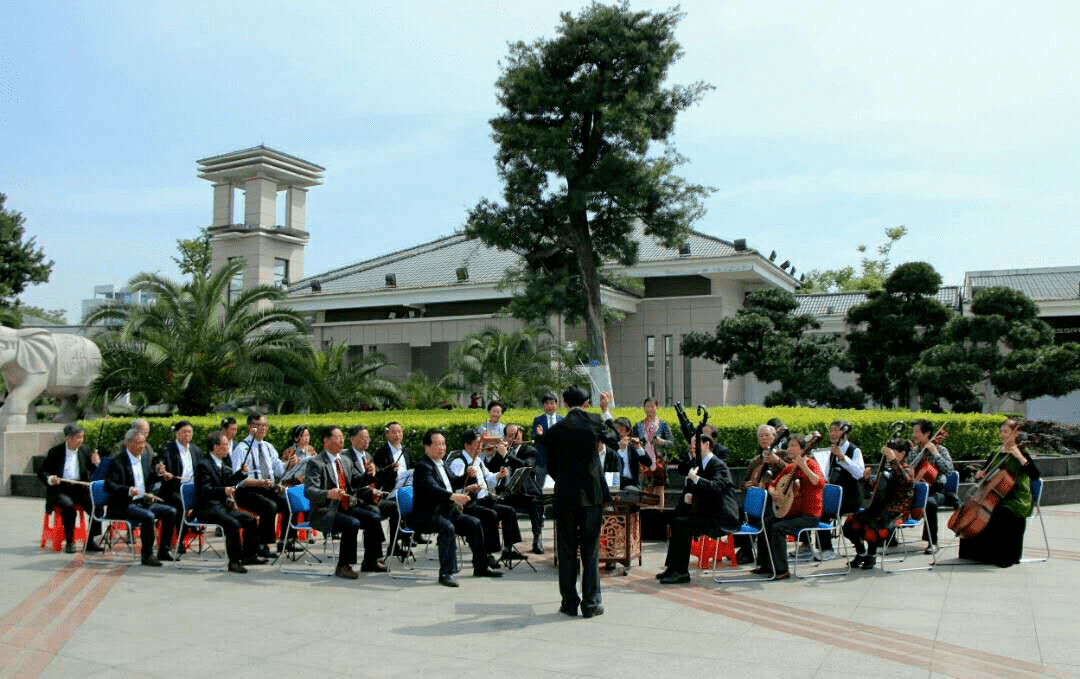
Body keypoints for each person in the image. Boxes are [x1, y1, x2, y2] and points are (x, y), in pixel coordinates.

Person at [539, 386, 618, 618]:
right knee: (590, 550)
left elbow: (550, 466)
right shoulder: (594, 421)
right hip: (592, 495)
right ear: (586, 403)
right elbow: (614, 439)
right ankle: (592, 604)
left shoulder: (555, 429)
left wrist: (564, 480)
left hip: (565, 494)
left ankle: (569, 603)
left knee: (566, 550)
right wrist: (606, 412)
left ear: (564, 403)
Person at [411, 428, 502, 587]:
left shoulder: (441, 463)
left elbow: (454, 482)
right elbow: (432, 489)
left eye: (444, 444)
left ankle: (481, 566)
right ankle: (446, 572)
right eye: (437, 444)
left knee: (474, 523)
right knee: (448, 528)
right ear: (427, 447)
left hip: (446, 511)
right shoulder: (423, 466)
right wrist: (453, 497)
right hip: (427, 514)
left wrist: (469, 480)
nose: (442, 448)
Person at [303, 426, 387, 578]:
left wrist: (368, 474)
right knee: (352, 523)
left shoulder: (345, 460)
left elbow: (354, 483)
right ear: (326, 441)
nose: (342, 440)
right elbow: (309, 491)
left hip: (345, 505)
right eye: (338, 437)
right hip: (325, 511)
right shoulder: (316, 463)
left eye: (342, 437)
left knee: (373, 517)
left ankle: (370, 561)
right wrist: (328, 493)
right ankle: (343, 565)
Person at [656, 433, 740, 584]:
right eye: (691, 444)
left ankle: (681, 573)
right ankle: (673, 568)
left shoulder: (718, 465)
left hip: (721, 517)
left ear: (707, 444)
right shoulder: (699, 463)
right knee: (676, 521)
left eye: (696, 444)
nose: (692, 447)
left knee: (683, 524)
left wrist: (695, 479)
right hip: (707, 512)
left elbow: (717, 488)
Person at [958, 418, 1040, 568]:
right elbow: (985, 473)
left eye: (1006, 431)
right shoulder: (996, 453)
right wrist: (979, 475)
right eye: (1001, 431)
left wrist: (1019, 456)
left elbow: (1035, 475)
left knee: (1001, 512)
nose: (1002, 434)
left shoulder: (1022, 453)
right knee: (973, 511)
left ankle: (1006, 556)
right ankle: (978, 554)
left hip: (1016, 497)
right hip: (996, 494)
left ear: (1016, 433)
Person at [445, 430, 524, 564]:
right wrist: (469, 488)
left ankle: (508, 549)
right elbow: (456, 488)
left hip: (484, 500)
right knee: (491, 515)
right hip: (469, 504)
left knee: (509, 511)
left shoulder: (478, 460)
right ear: (467, 445)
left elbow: (489, 478)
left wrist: (499, 475)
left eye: (480, 444)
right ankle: (488, 554)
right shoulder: (459, 462)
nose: (480, 447)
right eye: (477, 444)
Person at [755, 432, 825, 580]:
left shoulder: (811, 464)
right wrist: (774, 493)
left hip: (810, 515)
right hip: (794, 512)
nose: (789, 449)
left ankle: (782, 570)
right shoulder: (791, 467)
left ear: (802, 449)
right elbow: (772, 484)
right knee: (767, 522)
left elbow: (819, 483)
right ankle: (767, 565)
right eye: (789, 446)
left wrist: (803, 466)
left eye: (794, 446)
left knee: (777, 528)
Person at [104, 428, 176, 567]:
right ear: (128, 444)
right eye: (138, 443)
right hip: (123, 504)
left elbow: (148, 480)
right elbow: (109, 485)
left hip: (142, 502)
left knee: (170, 512)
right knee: (148, 516)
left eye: (143, 443)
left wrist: (159, 474)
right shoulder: (117, 461)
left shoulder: (144, 458)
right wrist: (128, 490)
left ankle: (164, 550)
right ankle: (147, 555)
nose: (142, 446)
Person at [194, 432, 264, 573]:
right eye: (225, 445)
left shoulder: (222, 462)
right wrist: (223, 491)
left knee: (250, 520)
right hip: (207, 507)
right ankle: (234, 561)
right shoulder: (204, 465)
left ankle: (249, 555)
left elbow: (228, 481)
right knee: (233, 524)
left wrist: (241, 474)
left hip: (222, 506)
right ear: (215, 447)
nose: (227, 448)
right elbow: (205, 490)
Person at [843, 440, 914, 570]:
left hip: (896, 512)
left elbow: (905, 480)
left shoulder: (907, 469)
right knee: (849, 524)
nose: (888, 457)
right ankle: (861, 552)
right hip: (879, 508)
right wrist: (866, 481)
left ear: (903, 453)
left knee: (873, 521)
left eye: (893, 453)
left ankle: (872, 555)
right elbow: (874, 492)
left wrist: (893, 460)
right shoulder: (886, 471)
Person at [230, 413, 286, 558]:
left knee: (287, 503)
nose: (263, 428)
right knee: (269, 506)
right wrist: (259, 482)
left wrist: (290, 463)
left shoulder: (268, 447)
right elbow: (238, 479)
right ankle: (263, 545)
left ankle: (287, 541)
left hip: (266, 488)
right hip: (247, 491)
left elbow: (279, 469)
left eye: (264, 425)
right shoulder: (242, 448)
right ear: (250, 428)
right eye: (258, 425)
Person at [39, 423, 100, 553]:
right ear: (68, 438)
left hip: (79, 488)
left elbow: (92, 472)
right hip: (61, 489)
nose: (81, 441)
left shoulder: (85, 450)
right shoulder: (55, 452)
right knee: (68, 507)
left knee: (97, 506)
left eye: (82, 437)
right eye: (78, 437)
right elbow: (42, 472)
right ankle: (70, 542)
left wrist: (96, 464)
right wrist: (50, 479)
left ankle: (90, 541)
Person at [488, 423, 545, 554]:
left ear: (521, 435)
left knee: (535, 502)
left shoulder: (529, 451)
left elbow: (525, 466)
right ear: (505, 437)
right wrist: (491, 455)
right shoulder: (501, 451)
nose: (513, 438)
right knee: (505, 508)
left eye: (516, 435)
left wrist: (507, 455)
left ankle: (537, 538)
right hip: (507, 493)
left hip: (526, 492)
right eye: (510, 436)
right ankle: (508, 544)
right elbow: (489, 470)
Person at [815, 420, 864, 559]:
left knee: (823, 511)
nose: (833, 433)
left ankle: (829, 549)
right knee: (817, 508)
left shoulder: (854, 450)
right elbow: (826, 475)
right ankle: (825, 548)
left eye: (836, 430)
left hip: (851, 497)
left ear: (844, 432)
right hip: (835, 497)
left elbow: (859, 473)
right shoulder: (830, 453)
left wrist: (843, 458)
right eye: (831, 430)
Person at [153, 420, 203, 550]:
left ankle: (194, 528)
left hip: (192, 488)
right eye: (184, 432)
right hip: (173, 489)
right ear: (177, 434)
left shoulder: (196, 450)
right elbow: (159, 465)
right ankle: (180, 539)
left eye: (189, 432)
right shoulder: (168, 449)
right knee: (181, 503)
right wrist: (163, 472)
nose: (187, 435)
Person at [908, 419, 954, 554]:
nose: (914, 435)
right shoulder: (914, 451)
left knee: (930, 504)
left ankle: (932, 542)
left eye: (916, 431)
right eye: (913, 431)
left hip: (936, 490)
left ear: (927, 433)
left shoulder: (941, 449)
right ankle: (889, 536)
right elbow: (909, 470)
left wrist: (936, 454)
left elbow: (949, 470)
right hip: (917, 487)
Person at [633, 397, 674, 481]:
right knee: (644, 490)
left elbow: (672, 443)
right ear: (644, 408)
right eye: (647, 406)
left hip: (659, 463)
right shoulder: (638, 426)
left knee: (659, 490)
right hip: (643, 464)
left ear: (657, 407)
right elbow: (633, 442)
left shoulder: (663, 425)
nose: (650, 409)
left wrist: (663, 442)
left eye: (652, 406)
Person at [531, 392, 562, 491]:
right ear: (543, 405)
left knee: (562, 487)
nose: (549, 406)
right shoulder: (538, 420)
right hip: (542, 460)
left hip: (559, 460)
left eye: (552, 403)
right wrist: (539, 435)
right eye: (547, 403)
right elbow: (535, 437)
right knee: (539, 488)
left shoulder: (562, 420)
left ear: (556, 404)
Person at [372, 421, 412, 494]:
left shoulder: (406, 451)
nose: (397, 435)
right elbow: (377, 475)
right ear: (386, 434)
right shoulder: (380, 452)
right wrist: (389, 469)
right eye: (393, 432)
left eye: (399, 432)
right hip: (390, 491)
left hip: (408, 488)